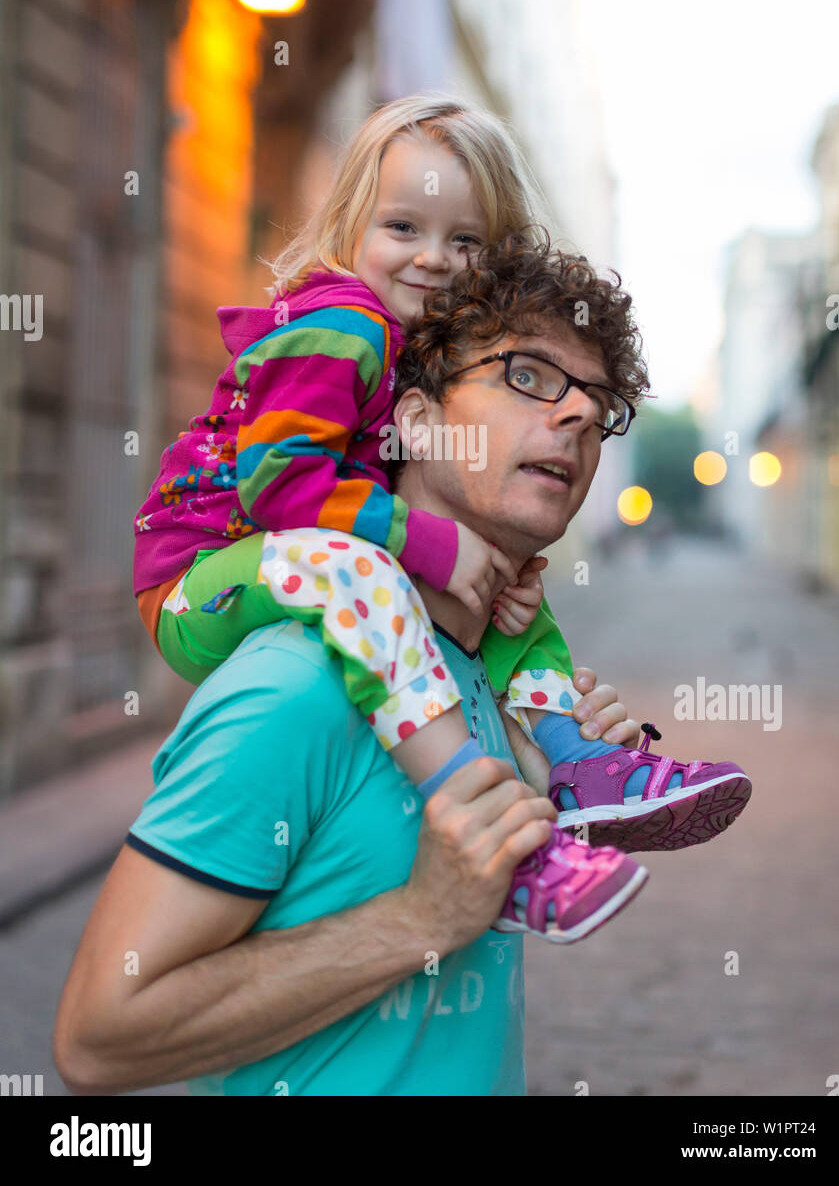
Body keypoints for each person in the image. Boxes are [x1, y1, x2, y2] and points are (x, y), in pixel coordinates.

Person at [54, 236, 751, 1097]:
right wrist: (420, 918)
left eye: (597, 404)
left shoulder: (485, 686)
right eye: (528, 375)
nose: (575, 416)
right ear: (416, 422)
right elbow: (97, 1037)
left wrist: (556, 764)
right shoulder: (294, 686)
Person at [130, 95, 747, 940]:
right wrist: (425, 538)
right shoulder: (341, 326)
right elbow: (279, 481)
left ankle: (573, 765)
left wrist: (506, 602)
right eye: (404, 228)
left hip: (287, 558)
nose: (433, 259)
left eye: (465, 242)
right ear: (352, 226)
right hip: (200, 575)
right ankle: (492, 832)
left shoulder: (395, 347)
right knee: (363, 569)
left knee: (496, 594)